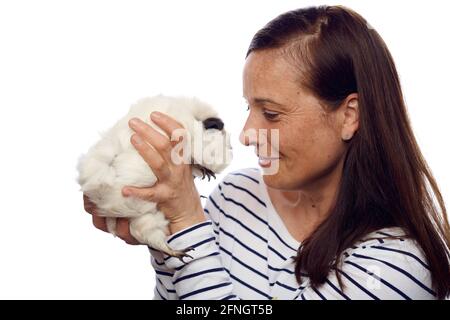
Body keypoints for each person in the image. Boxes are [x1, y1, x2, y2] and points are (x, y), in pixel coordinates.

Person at [83, 5, 450, 299]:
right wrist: (163, 234)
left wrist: (186, 222)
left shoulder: (395, 267)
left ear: (348, 116)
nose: (246, 135)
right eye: (249, 109)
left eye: (271, 114)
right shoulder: (234, 196)